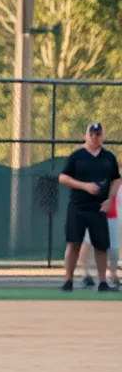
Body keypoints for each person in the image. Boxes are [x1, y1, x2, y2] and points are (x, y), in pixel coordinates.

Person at [58, 122, 120, 293]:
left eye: (98, 134)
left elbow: (116, 179)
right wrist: (84, 186)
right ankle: (68, 280)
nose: (94, 137)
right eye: (91, 134)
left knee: (101, 245)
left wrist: (109, 199)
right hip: (78, 207)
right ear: (86, 135)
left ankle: (102, 282)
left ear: (102, 136)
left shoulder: (108, 157)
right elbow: (63, 178)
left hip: (98, 208)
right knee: (74, 243)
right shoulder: (77, 156)